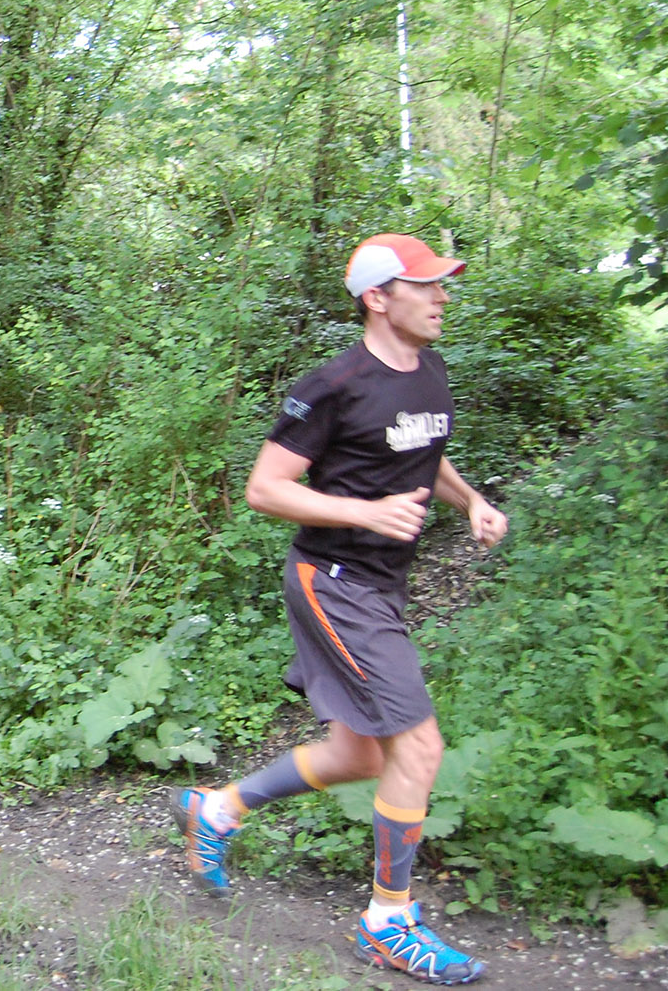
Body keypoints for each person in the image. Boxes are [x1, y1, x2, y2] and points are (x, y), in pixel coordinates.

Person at [173, 235, 508, 986]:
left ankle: (217, 806)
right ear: (378, 297)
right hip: (335, 580)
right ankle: (389, 921)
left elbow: (427, 451)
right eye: (426, 286)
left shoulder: (429, 370)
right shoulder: (333, 385)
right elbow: (265, 488)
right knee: (418, 748)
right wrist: (363, 512)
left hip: (379, 586)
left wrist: (472, 499)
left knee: (359, 753)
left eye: (443, 285)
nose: (442, 296)